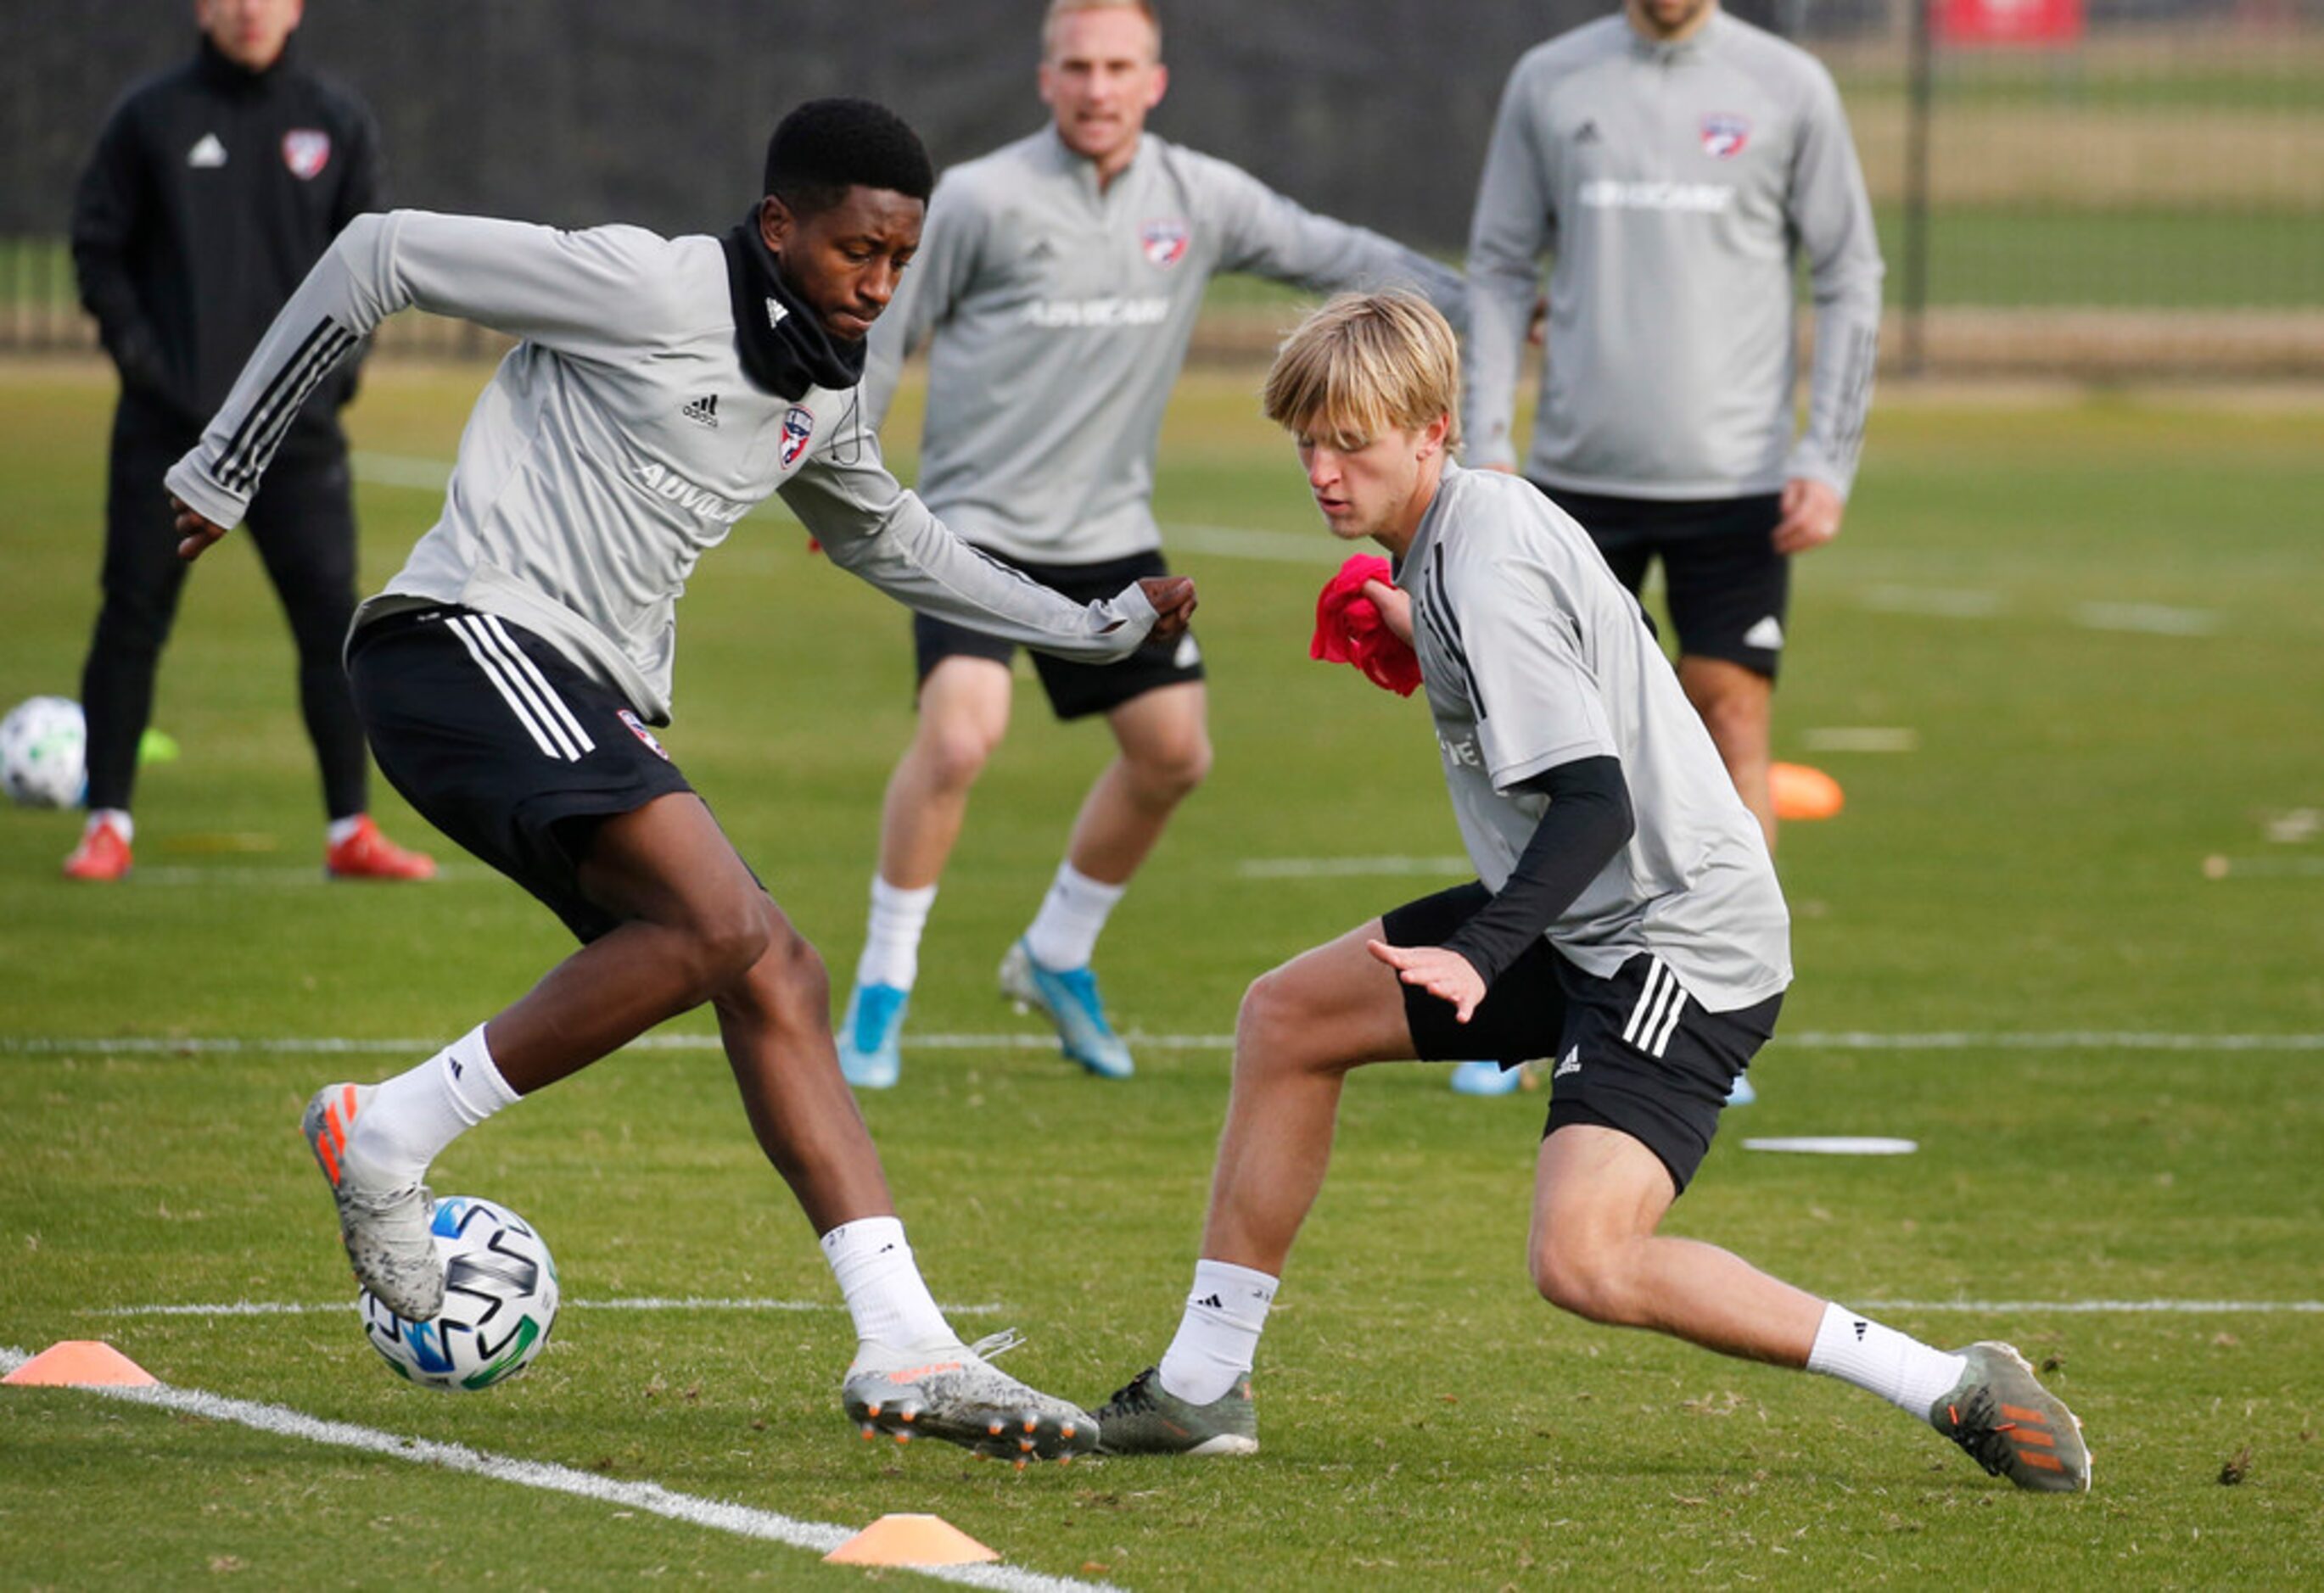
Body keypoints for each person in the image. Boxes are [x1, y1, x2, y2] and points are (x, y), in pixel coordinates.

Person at [166, 99, 1196, 1464]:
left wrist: (1095, 626)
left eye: (898, 259)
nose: (878, 285)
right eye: (853, 251)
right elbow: (375, 250)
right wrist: (226, 464)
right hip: (460, 643)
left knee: (777, 968)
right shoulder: (649, 284)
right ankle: (383, 1133)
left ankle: (904, 1336)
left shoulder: (819, 393)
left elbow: (894, 539)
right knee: (718, 926)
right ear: (778, 227)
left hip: (570, 694)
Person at [1087, 292, 2088, 1497]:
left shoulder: (1486, 561)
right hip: (1577, 913)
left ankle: (1946, 1381)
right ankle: (1203, 1384)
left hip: (1673, 935)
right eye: (1303, 438)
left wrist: (1480, 952)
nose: (1320, 468)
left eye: (1347, 440)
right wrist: (1411, 632)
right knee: (1286, 1018)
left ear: (1430, 429)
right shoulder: (1463, 526)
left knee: (1584, 1259)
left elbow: (1593, 802)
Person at [836, 0, 1465, 1090]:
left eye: (1118, 65)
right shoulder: (981, 199)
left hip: (1112, 536)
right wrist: (842, 473)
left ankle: (1057, 953)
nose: (1097, 86)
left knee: (1174, 752)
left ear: (1154, 80)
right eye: (1077, 66)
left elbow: (1335, 253)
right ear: (1046, 79)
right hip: (972, 531)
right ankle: (881, 991)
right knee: (961, 738)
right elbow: (882, 332)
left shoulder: (1200, 198)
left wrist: (1476, 300)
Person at [1464, 0, 1883, 853]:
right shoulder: (1549, 80)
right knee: (1560, 753)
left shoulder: (1789, 85)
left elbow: (1849, 272)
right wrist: (1486, 441)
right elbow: (1501, 266)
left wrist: (1828, 457)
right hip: (1573, 481)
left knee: (1731, 717)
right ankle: (1569, 980)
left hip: (1736, 481)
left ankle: (1743, 981)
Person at [64, 0, 434, 883]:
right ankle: (106, 823)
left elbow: (372, 265)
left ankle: (352, 830)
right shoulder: (149, 117)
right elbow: (97, 249)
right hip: (169, 437)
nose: (247, 10)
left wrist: (329, 383)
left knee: (331, 629)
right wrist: (153, 369)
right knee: (132, 619)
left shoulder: (335, 121)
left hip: (296, 442)